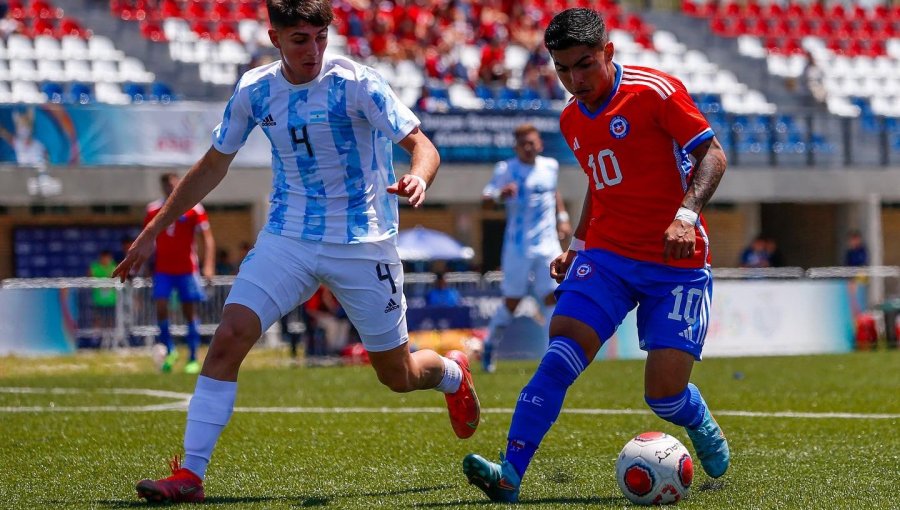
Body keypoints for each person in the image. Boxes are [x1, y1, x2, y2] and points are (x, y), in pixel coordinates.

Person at [115, 0, 479, 503]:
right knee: (228, 338)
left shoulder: (358, 82)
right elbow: (214, 164)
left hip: (362, 239)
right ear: (275, 38)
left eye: (320, 37)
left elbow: (423, 145)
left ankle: (452, 373)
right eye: (299, 40)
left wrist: (418, 176)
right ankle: (190, 476)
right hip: (288, 236)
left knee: (398, 375)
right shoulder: (255, 89)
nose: (313, 50)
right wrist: (154, 230)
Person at [461, 8, 730, 503]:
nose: (574, 80)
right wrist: (578, 247)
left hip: (677, 262)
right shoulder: (570, 118)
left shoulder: (655, 92)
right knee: (559, 354)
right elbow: (600, 183)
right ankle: (509, 474)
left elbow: (713, 155)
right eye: (562, 69)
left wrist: (686, 216)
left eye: (583, 65)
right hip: (607, 257)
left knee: (664, 396)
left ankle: (700, 422)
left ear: (608, 52)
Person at [480, 123, 571, 373]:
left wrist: (562, 217)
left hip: (547, 244)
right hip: (518, 246)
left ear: (540, 144)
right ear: (516, 147)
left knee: (552, 296)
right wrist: (501, 194)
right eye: (524, 144)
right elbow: (486, 198)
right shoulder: (507, 169)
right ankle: (489, 345)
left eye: (532, 142)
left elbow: (553, 192)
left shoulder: (550, 166)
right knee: (512, 300)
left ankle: (553, 356)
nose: (529, 147)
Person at [145, 172, 216, 374]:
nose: (170, 188)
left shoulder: (194, 208)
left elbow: (207, 239)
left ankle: (193, 357)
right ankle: (170, 350)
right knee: (160, 307)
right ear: (162, 187)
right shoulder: (153, 210)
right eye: (166, 185)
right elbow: (147, 240)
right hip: (163, 270)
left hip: (187, 270)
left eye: (173, 184)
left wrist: (209, 265)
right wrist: (143, 266)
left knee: (189, 311)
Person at [88, 249, 118, 343]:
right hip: (98, 300)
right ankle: (95, 340)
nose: (105, 260)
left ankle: (110, 339)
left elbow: (117, 278)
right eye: (104, 258)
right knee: (97, 320)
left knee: (110, 320)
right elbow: (89, 278)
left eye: (107, 258)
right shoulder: (94, 267)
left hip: (111, 300)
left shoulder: (114, 267)